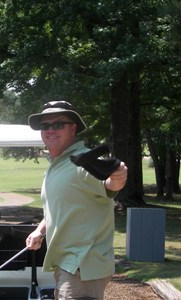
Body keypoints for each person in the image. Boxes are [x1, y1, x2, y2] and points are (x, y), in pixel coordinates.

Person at [25, 100, 128, 300]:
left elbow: (111, 185)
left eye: (58, 124)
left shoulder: (82, 161)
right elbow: (60, 208)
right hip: (68, 266)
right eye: (45, 125)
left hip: (82, 268)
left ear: (73, 128)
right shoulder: (58, 164)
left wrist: (118, 173)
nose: (50, 130)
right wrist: (39, 231)